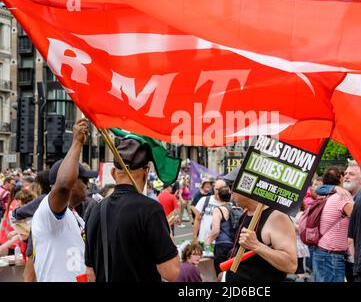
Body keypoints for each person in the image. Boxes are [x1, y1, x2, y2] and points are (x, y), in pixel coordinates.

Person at [84, 138, 179, 282]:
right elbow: (171, 272)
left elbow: (90, 274)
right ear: (146, 172)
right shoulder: (150, 210)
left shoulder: (96, 210)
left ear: (113, 172)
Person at [32, 118, 98, 282]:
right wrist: (77, 142)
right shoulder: (50, 213)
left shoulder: (74, 215)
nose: (87, 184)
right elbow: (62, 186)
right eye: (83, 179)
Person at [222, 167, 297, 282]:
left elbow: (291, 265)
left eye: (233, 186)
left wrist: (257, 245)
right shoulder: (246, 214)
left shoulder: (276, 217)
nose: (230, 192)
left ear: (248, 187)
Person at [313, 166, 354, 282]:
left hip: (320, 250)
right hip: (332, 255)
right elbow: (357, 217)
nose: (346, 177)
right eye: (345, 174)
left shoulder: (322, 195)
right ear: (341, 177)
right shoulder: (343, 195)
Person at [205, 186, 234, 275]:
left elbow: (215, 231)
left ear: (218, 196)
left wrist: (207, 242)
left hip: (222, 246)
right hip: (234, 245)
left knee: (221, 273)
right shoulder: (237, 208)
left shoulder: (218, 210)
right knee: (231, 273)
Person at [192, 179, 226, 245]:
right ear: (213, 188)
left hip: (219, 243)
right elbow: (197, 219)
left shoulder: (227, 204)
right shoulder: (204, 200)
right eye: (217, 189)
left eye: (221, 189)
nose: (218, 192)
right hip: (203, 240)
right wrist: (194, 237)